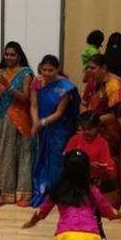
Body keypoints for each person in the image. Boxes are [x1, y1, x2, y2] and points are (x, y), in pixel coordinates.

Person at [81, 54, 121, 209]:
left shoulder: (115, 85)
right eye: (88, 67)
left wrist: (92, 122)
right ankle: (92, 197)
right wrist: (85, 119)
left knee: (109, 164)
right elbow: (84, 103)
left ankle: (110, 202)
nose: (89, 70)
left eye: (93, 67)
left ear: (104, 68)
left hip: (112, 131)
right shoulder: (92, 82)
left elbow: (114, 114)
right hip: (93, 128)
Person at [0, 41, 34, 206]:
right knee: (1, 155)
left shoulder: (25, 72)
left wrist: (8, 87)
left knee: (20, 155)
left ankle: (22, 194)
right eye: (6, 54)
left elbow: (26, 99)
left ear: (19, 55)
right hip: (1, 118)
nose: (9, 57)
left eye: (12, 54)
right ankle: (0, 193)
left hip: (19, 118)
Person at [30, 55, 80, 207]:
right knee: (40, 157)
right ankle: (42, 192)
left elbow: (59, 113)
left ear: (57, 69)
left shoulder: (64, 87)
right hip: (40, 126)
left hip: (58, 129)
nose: (46, 73)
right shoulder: (37, 82)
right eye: (44, 69)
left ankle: (57, 195)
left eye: (50, 70)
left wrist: (42, 122)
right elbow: (33, 105)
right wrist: (35, 122)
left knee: (57, 160)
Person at [65, 112, 116, 240]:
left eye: (89, 128)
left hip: (92, 182)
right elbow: (66, 157)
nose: (86, 132)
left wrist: (100, 166)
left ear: (97, 127)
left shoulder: (102, 143)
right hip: (74, 181)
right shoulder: (75, 140)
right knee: (72, 210)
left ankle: (99, 234)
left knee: (95, 210)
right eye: (83, 128)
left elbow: (107, 163)